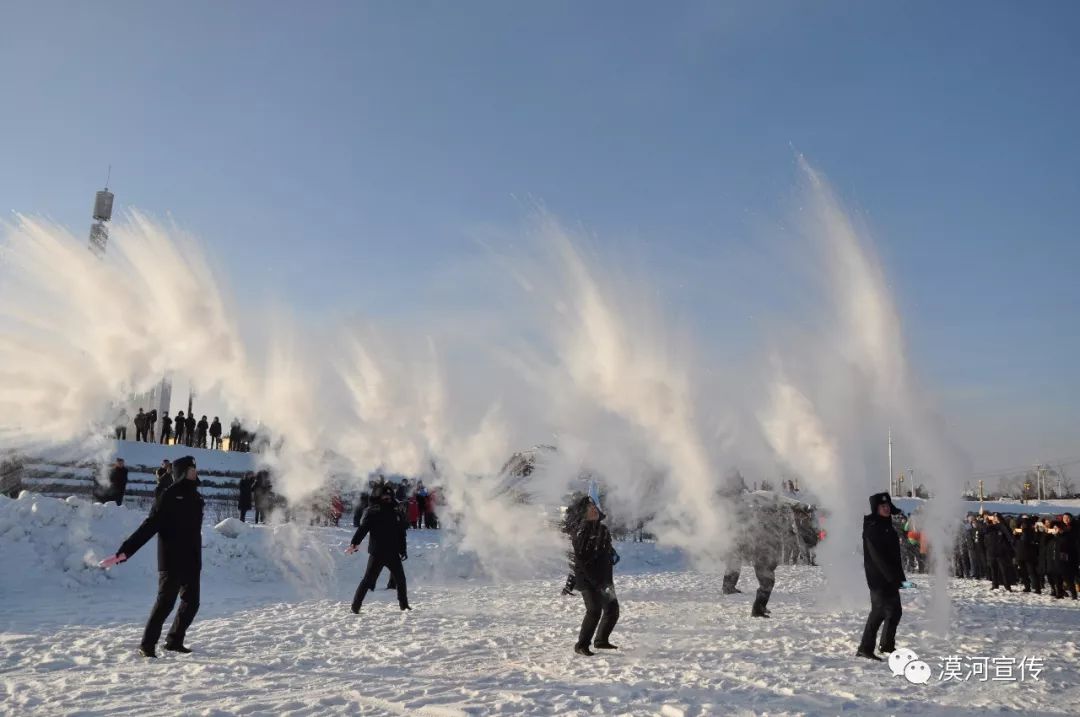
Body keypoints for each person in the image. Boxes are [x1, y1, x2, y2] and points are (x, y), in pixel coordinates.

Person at [102, 456, 204, 658]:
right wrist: (126, 551)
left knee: (192, 603)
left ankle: (174, 641)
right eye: (191, 468)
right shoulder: (168, 496)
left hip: (192, 559)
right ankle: (147, 645)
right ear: (182, 472)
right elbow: (149, 526)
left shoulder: (197, 498)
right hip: (172, 559)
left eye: (195, 468)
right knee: (165, 604)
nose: (195, 471)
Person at [564, 494, 620, 656]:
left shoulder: (602, 529)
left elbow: (604, 548)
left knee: (612, 610)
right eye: (590, 509)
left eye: (595, 507)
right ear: (582, 512)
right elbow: (579, 559)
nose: (594, 510)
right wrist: (591, 581)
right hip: (588, 579)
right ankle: (581, 645)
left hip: (604, 578)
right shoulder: (581, 531)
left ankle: (601, 640)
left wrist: (611, 554)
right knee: (594, 610)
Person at [345, 484, 410, 613]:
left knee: (401, 580)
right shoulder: (373, 512)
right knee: (367, 580)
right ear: (380, 497)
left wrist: (403, 550)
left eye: (389, 496)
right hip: (377, 553)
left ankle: (404, 605)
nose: (388, 498)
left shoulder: (396, 512)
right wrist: (354, 543)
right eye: (385, 496)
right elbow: (363, 529)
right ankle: (355, 607)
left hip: (393, 553)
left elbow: (401, 533)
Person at [856, 492, 906, 661]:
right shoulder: (872, 527)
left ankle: (887, 645)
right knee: (878, 612)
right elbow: (878, 557)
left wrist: (899, 578)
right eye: (882, 506)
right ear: (876, 508)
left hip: (890, 578)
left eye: (887, 506)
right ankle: (865, 648)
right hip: (879, 579)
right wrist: (892, 577)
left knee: (895, 611)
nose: (886, 508)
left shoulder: (886, 524)